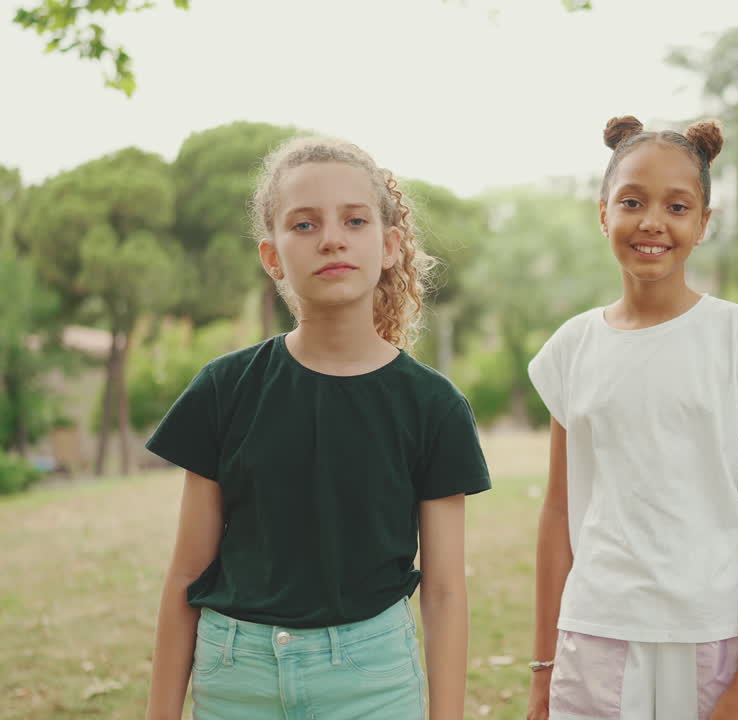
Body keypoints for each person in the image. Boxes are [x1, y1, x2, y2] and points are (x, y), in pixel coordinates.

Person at [144, 136, 490, 720]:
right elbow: (186, 572)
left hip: (371, 683)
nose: (331, 238)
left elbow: (446, 591)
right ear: (272, 256)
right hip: (236, 679)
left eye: (354, 221)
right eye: (304, 225)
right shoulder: (223, 390)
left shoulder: (434, 406)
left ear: (389, 246)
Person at [525, 116, 738, 720]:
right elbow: (559, 513)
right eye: (632, 201)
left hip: (717, 638)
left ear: (703, 223)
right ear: (603, 213)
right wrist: (544, 672)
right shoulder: (571, 348)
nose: (653, 222)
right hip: (597, 632)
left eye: (677, 206)